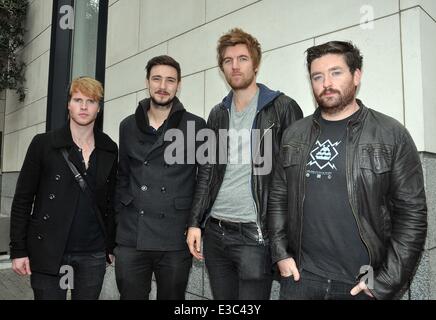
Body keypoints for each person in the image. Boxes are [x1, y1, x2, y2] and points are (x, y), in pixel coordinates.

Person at [268, 41, 428, 300]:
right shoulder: (294, 134)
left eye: (336, 72)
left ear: (356, 76)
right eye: (317, 76)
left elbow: (412, 215)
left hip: (363, 281)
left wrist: (383, 283)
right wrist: (280, 254)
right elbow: (277, 198)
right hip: (301, 279)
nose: (326, 83)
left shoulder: (391, 134)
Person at [186, 28, 303, 300]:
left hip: (255, 234)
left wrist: (284, 239)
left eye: (242, 58)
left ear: (256, 64)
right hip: (215, 234)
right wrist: (195, 222)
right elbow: (207, 170)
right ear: (221, 68)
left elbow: (295, 177)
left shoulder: (283, 108)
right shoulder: (218, 113)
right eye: (228, 61)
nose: (235, 66)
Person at [9, 77, 118, 300]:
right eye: (78, 100)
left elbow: (112, 201)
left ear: (99, 108)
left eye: (91, 101)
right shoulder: (43, 144)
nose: (84, 106)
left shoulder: (109, 148)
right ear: (68, 104)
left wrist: (111, 245)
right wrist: (19, 250)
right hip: (50, 252)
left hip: (92, 254)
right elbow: (22, 200)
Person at [114, 55, 206, 300]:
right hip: (133, 235)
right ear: (147, 82)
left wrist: (194, 223)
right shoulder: (127, 126)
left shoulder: (196, 126)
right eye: (156, 79)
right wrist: (118, 221)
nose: (162, 86)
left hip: (175, 236)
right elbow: (122, 176)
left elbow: (204, 181)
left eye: (170, 80)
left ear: (179, 84)